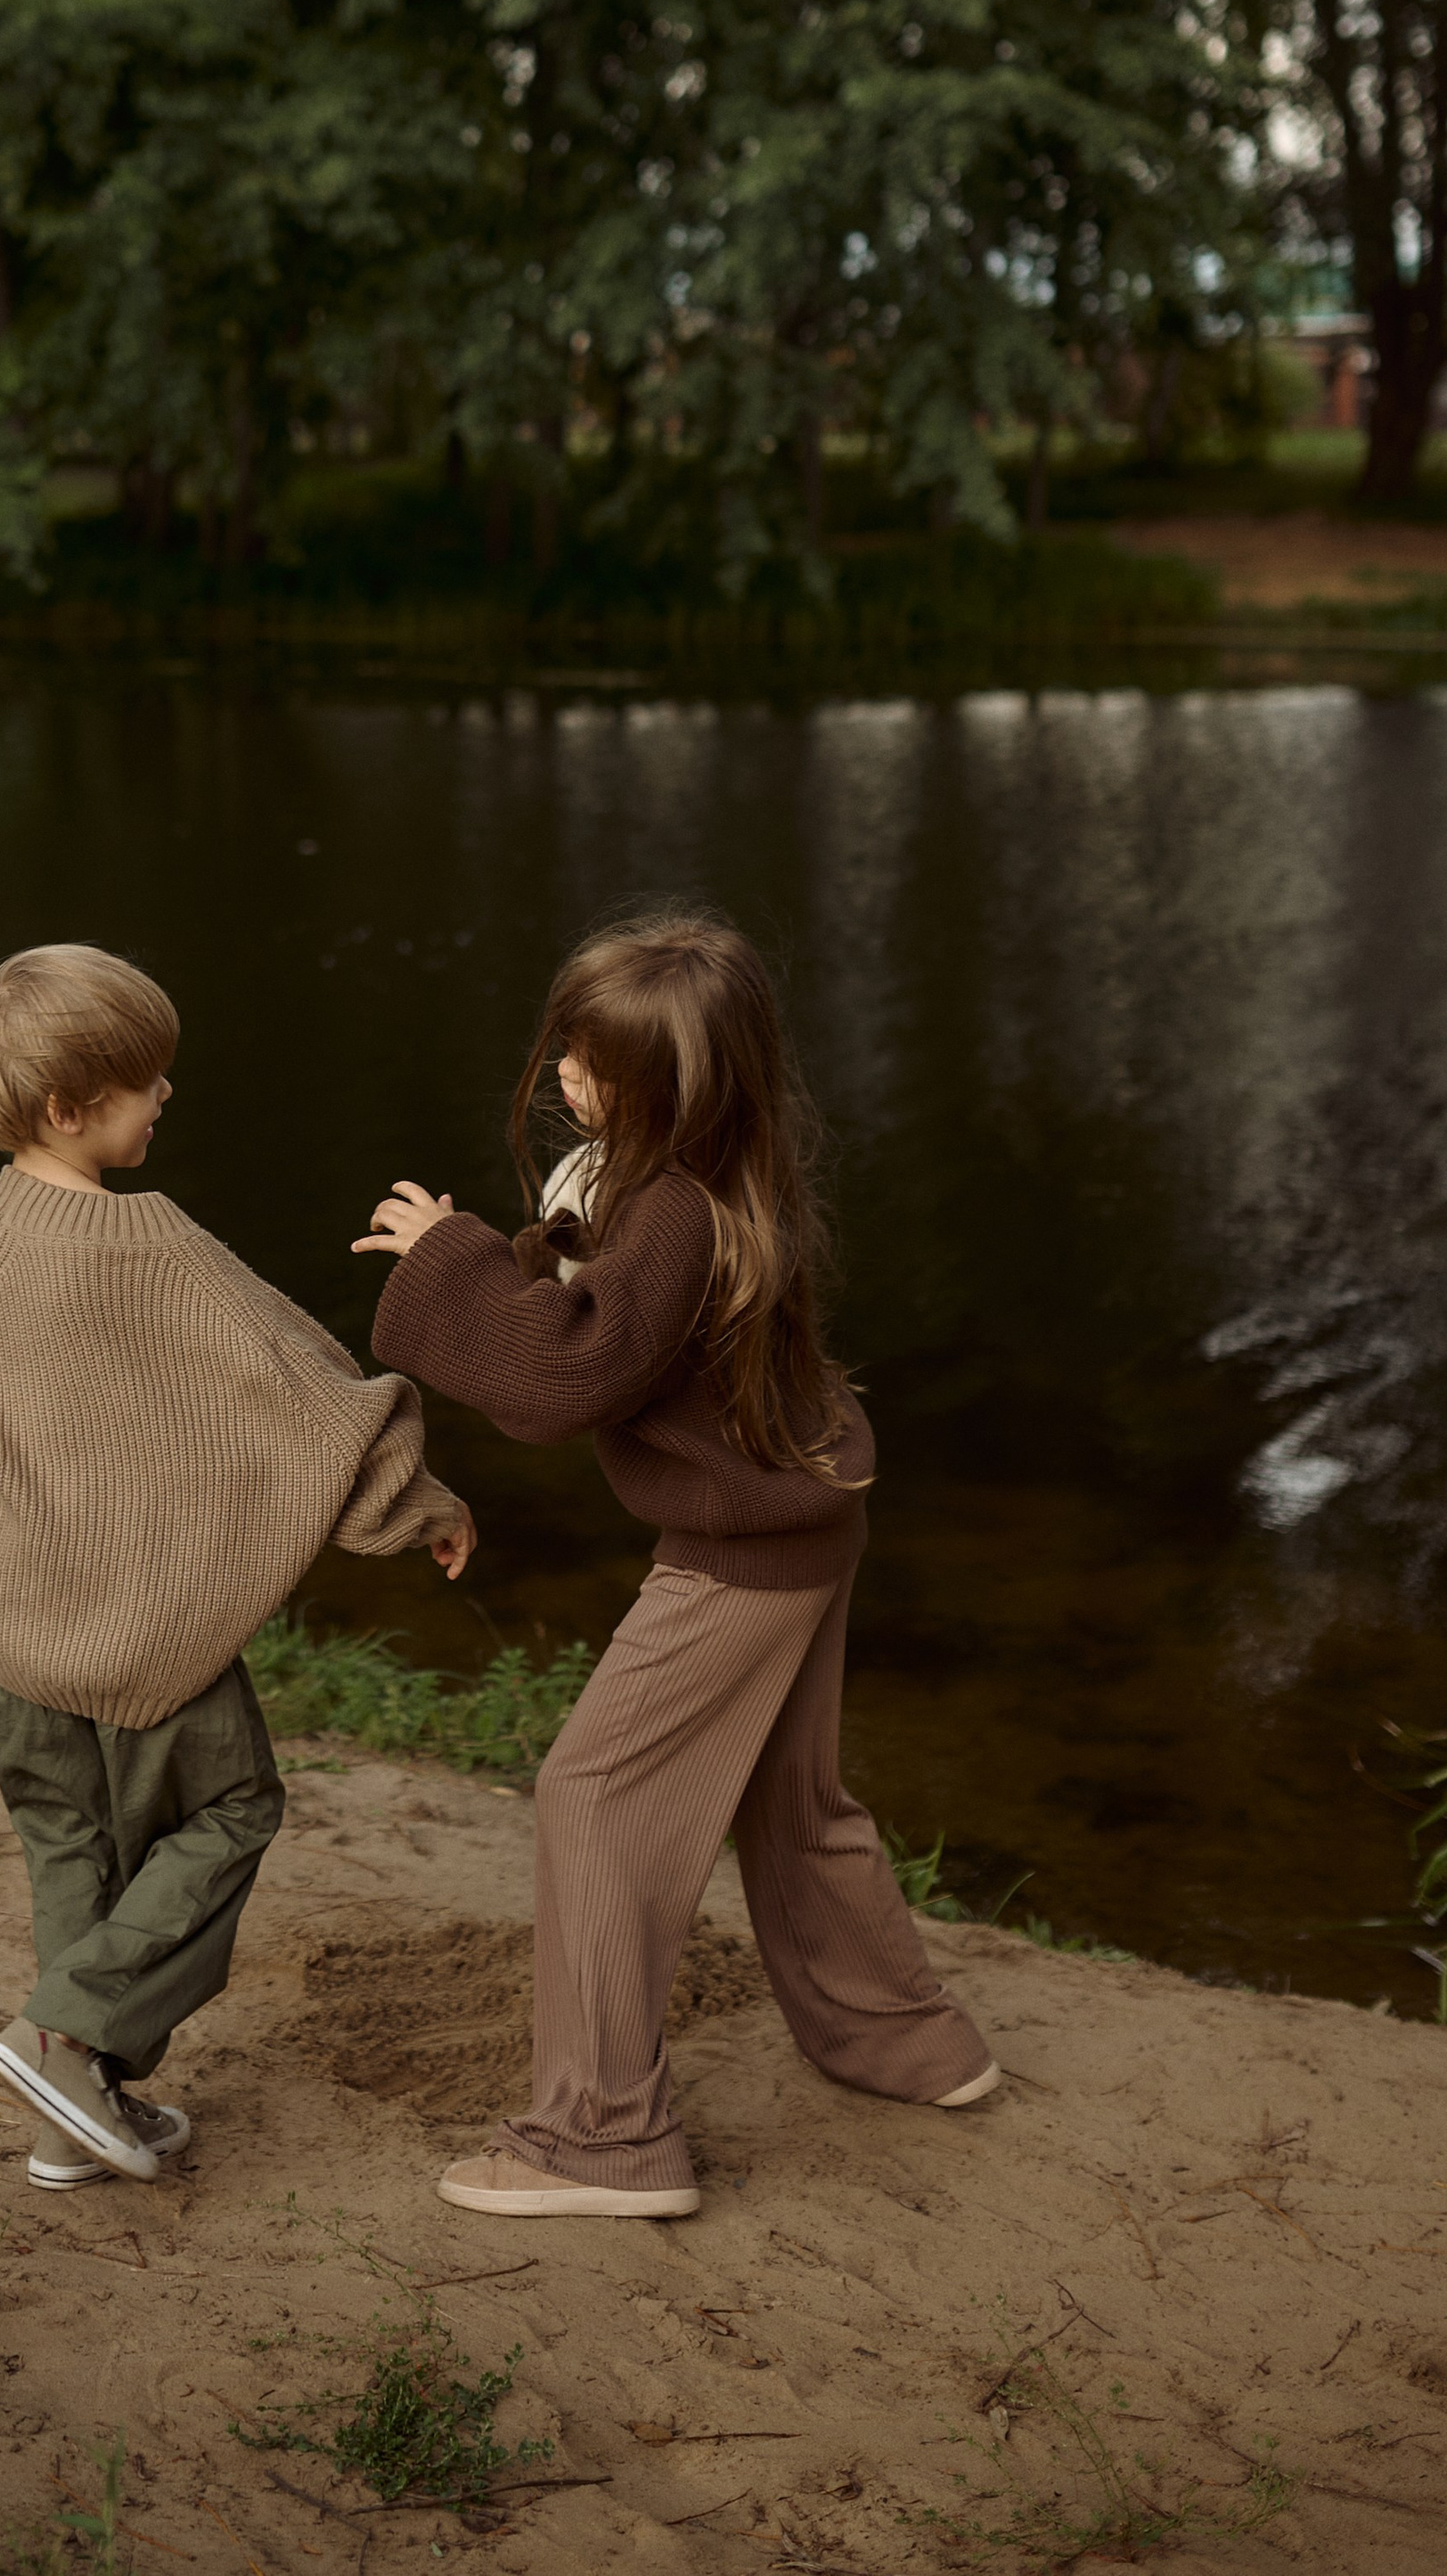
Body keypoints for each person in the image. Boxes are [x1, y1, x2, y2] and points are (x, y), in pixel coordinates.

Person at [356, 908, 995, 2222]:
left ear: (676, 1093)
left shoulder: (670, 1219)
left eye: (599, 1067)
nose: (573, 1080)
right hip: (810, 1512)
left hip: (740, 1552)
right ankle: (912, 2044)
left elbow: (564, 1373)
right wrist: (528, 1244)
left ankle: (600, 2141)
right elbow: (599, 1298)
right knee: (789, 1800)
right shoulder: (712, 1180)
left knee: (593, 1796)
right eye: (570, 1051)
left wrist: (450, 1260)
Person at [0, 941, 474, 2191]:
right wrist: (414, 1502)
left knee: (73, 1847)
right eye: (146, 1081)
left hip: (17, 1635)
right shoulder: (163, 1246)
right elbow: (312, 1392)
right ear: (72, 1108)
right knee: (234, 1812)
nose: (166, 1096)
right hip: (152, 1642)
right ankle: (63, 2037)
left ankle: (70, 2112)